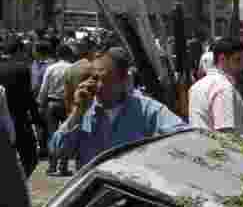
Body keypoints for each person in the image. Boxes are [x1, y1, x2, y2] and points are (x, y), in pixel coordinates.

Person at [49, 47, 188, 168]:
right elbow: (58, 151)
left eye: (104, 79)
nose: (95, 85)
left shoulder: (148, 111)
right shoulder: (84, 111)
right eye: (93, 78)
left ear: (124, 80)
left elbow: (184, 139)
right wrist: (77, 112)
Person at [0, 39, 46, 176]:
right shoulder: (22, 69)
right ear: (19, 51)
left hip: (2, 121)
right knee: (30, 157)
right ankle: (20, 181)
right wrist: (37, 119)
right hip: (19, 120)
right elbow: (28, 97)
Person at [189, 38, 243, 134]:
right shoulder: (224, 88)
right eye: (237, 60)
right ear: (222, 59)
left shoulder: (196, 86)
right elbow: (225, 133)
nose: (242, 65)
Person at [37, 44, 76, 175]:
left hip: (52, 104)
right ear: (69, 54)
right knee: (66, 135)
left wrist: (41, 104)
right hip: (67, 105)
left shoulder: (50, 68)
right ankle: (63, 167)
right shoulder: (72, 68)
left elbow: (44, 88)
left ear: (58, 55)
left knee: (52, 135)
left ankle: (52, 166)